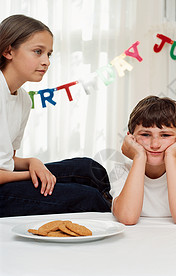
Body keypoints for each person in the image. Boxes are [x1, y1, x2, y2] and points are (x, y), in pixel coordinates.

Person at [0, 14, 111, 217]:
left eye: (49, 54)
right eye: (38, 52)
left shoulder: (23, 99)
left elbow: (7, 159)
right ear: (9, 51)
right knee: (87, 197)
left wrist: (33, 162)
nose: (46, 62)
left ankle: (119, 208)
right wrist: (30, 175)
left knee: (89, 169)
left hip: (7, 177)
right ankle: (121, 224)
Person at [109, 95, 176, 225]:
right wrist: (139, 157)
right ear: (131, 139)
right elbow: (127, 218)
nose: (155, 144)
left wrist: (171, 157)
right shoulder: (121, 171)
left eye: (165, 135)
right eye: (145, 135)